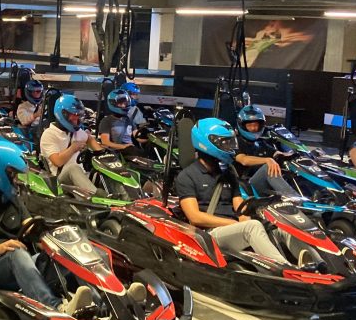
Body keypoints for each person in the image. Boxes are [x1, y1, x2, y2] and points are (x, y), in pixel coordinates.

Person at [0, 140, 93, 315]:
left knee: (67, 252)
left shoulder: (13, 202)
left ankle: (100, 303)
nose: (16, 180)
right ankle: (56, 308)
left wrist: (55, 241)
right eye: (13, 175)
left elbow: (30, 226)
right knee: (16, 253)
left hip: (24, 264)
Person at [175, 117, 290, 264]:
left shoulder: (228, 172)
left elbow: (240, 209)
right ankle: (285, 268)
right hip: (209, 233)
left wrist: (259, 207)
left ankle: (312, 265)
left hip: (234, 228)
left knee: (280, 226)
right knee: (252, 227)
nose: (229, 147)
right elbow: (195, 217)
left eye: (230, 143)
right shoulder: (187, 176)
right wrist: (233, 224)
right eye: (224, 143)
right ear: (206, 143)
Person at [39, 94, 104, 195]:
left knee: (105, 173)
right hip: (61, 180)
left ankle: (126, 200)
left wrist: (102, 153)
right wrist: (73, 148)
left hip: (82, 175)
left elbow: (89, 139)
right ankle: (97, 197)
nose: (77, 118)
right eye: (74, 115)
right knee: (73, 168)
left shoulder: (77, 132)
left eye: (79, 115)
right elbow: (57, 161)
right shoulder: (49, 134)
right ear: (63, 114)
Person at [234, 104, 299, 197]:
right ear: (242, 125)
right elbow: (243, 160)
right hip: (246, 185)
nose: (253, 128)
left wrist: (292, 155)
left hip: (263, 185)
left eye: (256, 125)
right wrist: (267, 160)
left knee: (289, 168)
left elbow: (276, 153)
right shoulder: (236, 141)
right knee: (268, 167)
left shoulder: (260, 142)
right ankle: (295, 198)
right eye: (250, 125)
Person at [98, 88, 148, 158]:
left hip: (130, 150)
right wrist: (124, 146)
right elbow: (105, 142)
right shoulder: (106, 121)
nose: (124, 106)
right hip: (116, 152)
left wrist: (149, 137)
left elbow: (138, 138)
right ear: (113, 103)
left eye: (125, 103)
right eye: (121, 103)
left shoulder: (129, 120)